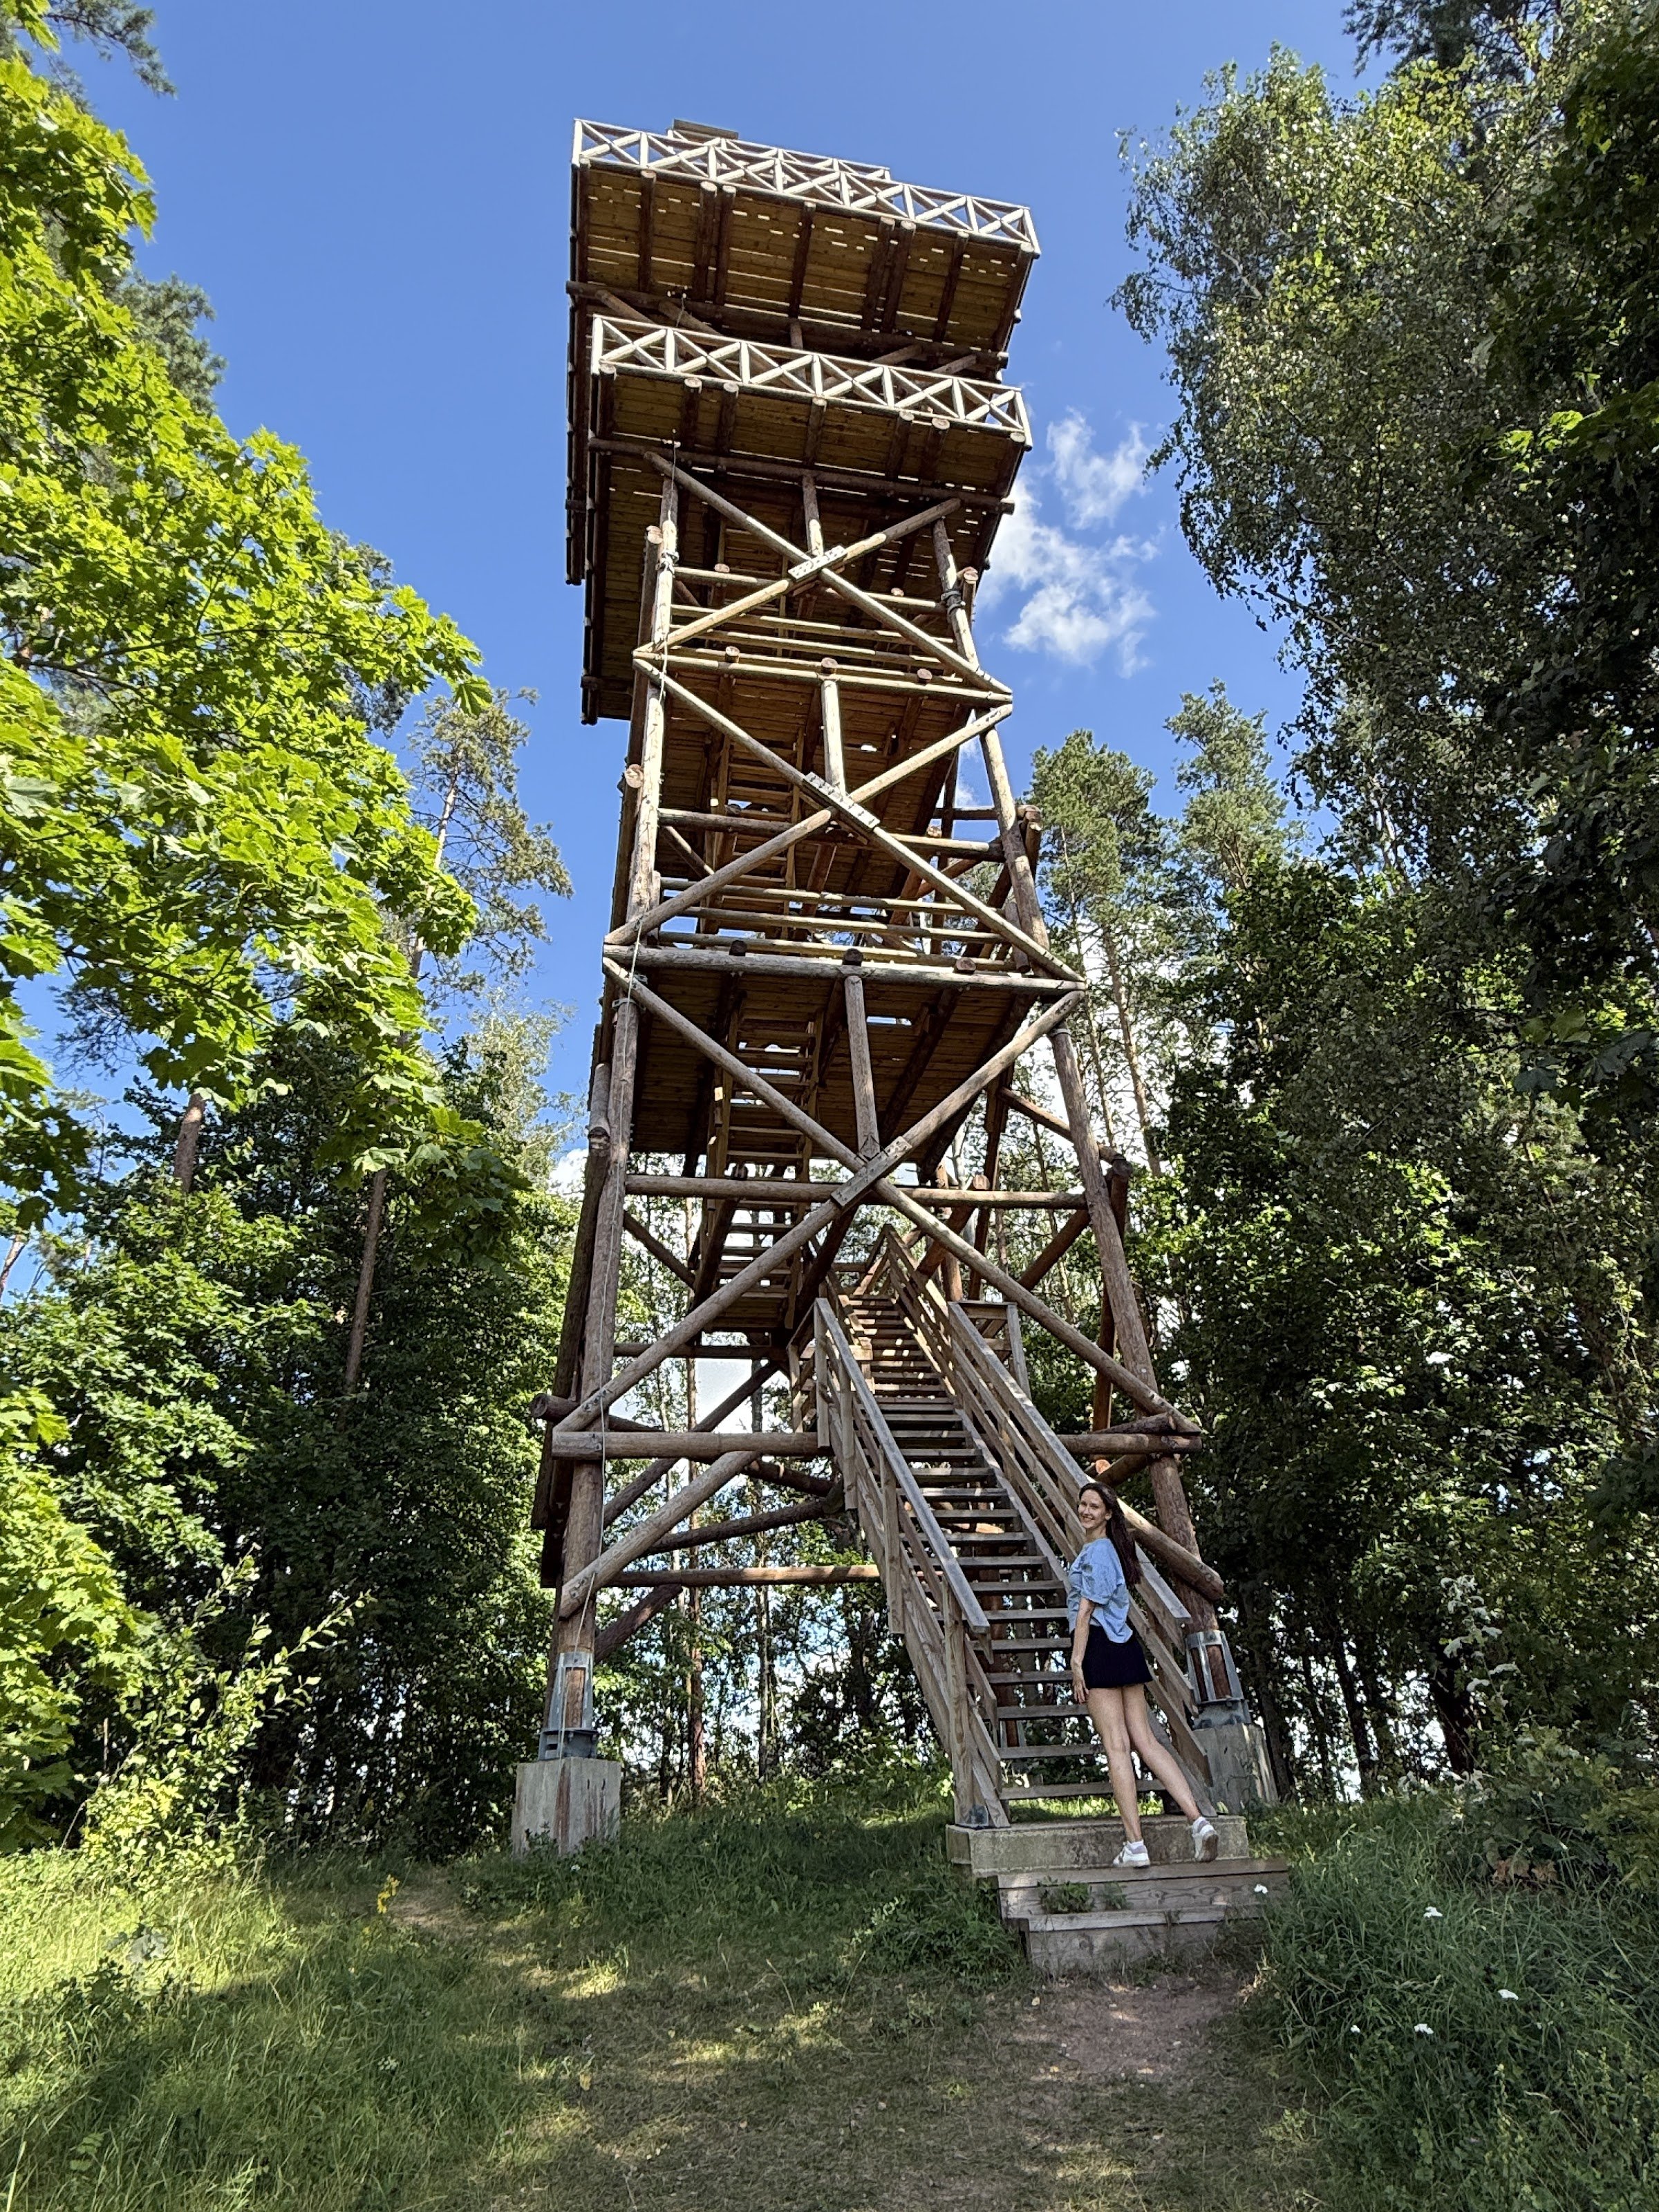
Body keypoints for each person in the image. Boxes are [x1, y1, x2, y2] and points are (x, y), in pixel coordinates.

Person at [1068, 1478, 1219, 1867]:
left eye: (1094, 1507)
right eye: (1083, 1504)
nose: (1086, 1511)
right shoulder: (1111, 1550)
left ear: (1107, 1514)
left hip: (1099, 1647)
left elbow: (1085, 1613)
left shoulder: (1098, 1552)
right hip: (1125, 1647)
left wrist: (1076, 1663)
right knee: (1147, 1741)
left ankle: (1135, 1845)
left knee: (1117, 1746)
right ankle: (1198, 1822)